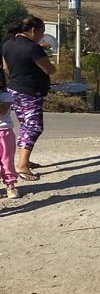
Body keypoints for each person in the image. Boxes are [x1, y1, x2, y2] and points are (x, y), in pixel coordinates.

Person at [1, 15, 56, 181]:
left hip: (14, 91)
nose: (41, 36)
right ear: (33, 30)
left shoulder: (8, 44)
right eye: (41, 33)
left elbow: (6, 68)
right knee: (34, 127)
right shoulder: (33, 49)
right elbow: (49, 70)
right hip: (30, 92)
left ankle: (25, 160)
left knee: (26, 125)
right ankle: (22, 165)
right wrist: (41, 52)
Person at [0, 83, 17, 198]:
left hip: (4, 132)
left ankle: (10, 185)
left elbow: (2, 112)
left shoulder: (6, 96)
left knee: (7, 160)